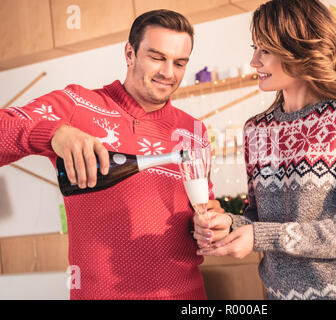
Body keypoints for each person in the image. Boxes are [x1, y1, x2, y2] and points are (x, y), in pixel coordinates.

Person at [0, 9, 223, 300]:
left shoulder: (194, 129)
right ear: (130, 53)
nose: (169, 73)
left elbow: (203, 205)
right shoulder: (76, 104)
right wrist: (53, 133)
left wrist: (214, 224)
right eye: (157, 57)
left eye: (179, 63)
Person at [194, 0, 336, 300]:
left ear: (299, 50)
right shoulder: (257, 130)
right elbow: (259, 221)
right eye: (255, 48)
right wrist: (231, 224)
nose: (254, 62)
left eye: (266, 50)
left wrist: (261, 235)